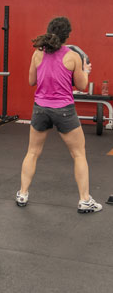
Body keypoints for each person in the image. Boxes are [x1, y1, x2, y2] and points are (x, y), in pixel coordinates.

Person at [17, 17, 102, 213]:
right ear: (67, 36)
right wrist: (85, 71)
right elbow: (81, 86)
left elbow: (31, 81)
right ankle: (85, 200)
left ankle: (22, 193)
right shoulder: (73, 56)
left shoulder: (37, 54)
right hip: (64, 110)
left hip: (40, 109)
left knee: (32, 152)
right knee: (79, 154)